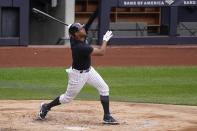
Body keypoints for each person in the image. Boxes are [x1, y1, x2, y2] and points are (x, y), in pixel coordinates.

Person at [39, 8, 118, 125]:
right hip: (77, 75)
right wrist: (105, 40)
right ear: (76, 34)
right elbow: (101, 52)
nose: (83, 28)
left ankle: (107, 116)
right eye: (80, 28)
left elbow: (84, 26)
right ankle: (46, 106)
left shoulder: (75, 37)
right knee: (67, 98)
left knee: (104, 88)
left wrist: (73, 27)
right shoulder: (80, 47)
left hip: (89, 71)